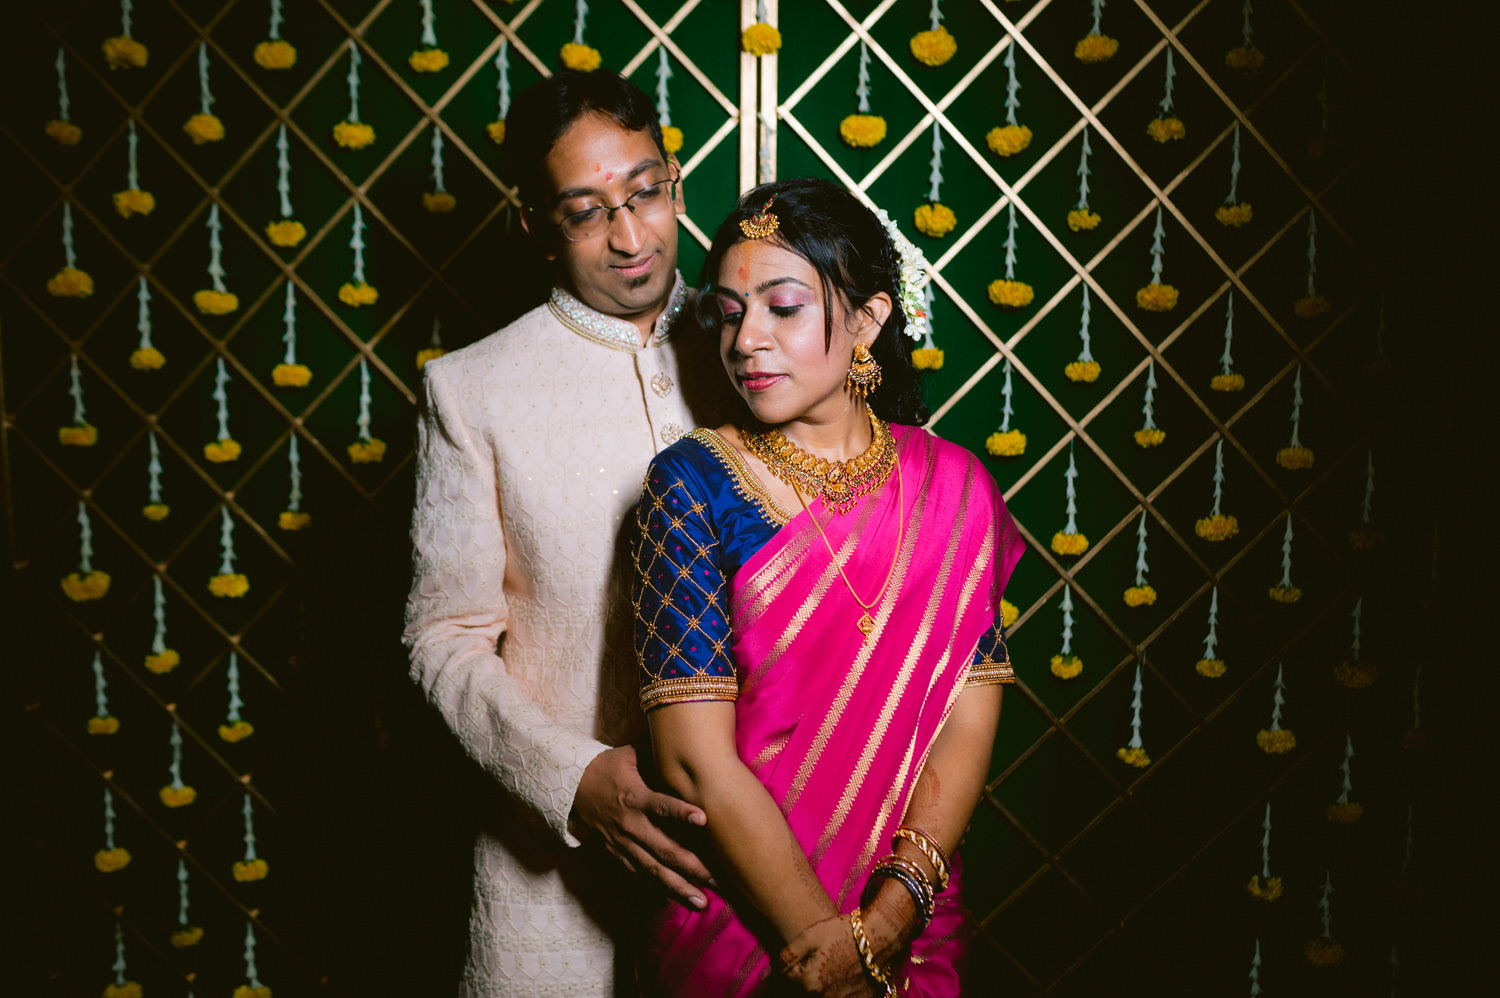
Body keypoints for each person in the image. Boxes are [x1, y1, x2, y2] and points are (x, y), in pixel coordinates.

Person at [631, 178, 1025, 996]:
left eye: (782, 307)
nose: (747, 340)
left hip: (912, 922)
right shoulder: (692, 484)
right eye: (728, 314)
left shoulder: (955, 489)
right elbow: (692, 759)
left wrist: (889, 920)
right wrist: (831, 954)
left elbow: (966, 715)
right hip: (741, 930)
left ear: (869, 320)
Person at [403, 70, 731, 996]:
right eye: (586, 213)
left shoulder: (760, 346)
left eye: (646, 192)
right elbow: (442, 639)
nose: (631, 237)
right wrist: (573, 779)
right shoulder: (473, 390)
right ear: (537, 228)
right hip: (549, 879)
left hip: (751, 848)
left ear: (674, 180)